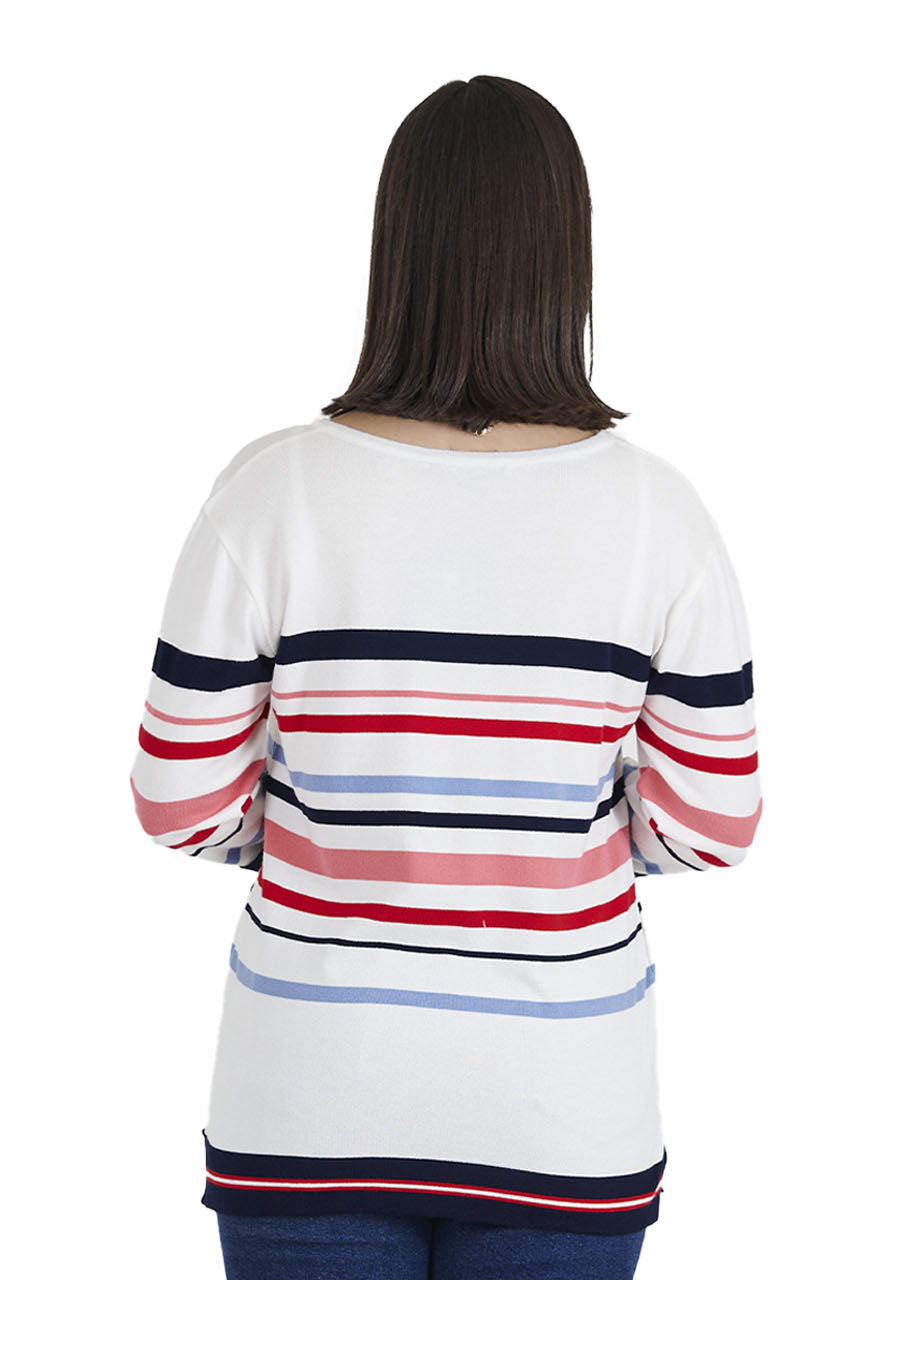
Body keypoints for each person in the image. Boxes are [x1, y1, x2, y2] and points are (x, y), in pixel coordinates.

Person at [129, 74, 763, 1280]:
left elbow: (178, 805)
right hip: (564, 1108)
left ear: (398, 246)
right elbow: (711, 829)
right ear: (567, 253)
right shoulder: (660, 516)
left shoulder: (270, 491)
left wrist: (343, 834)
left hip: (306, 1098)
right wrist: (540, 848)